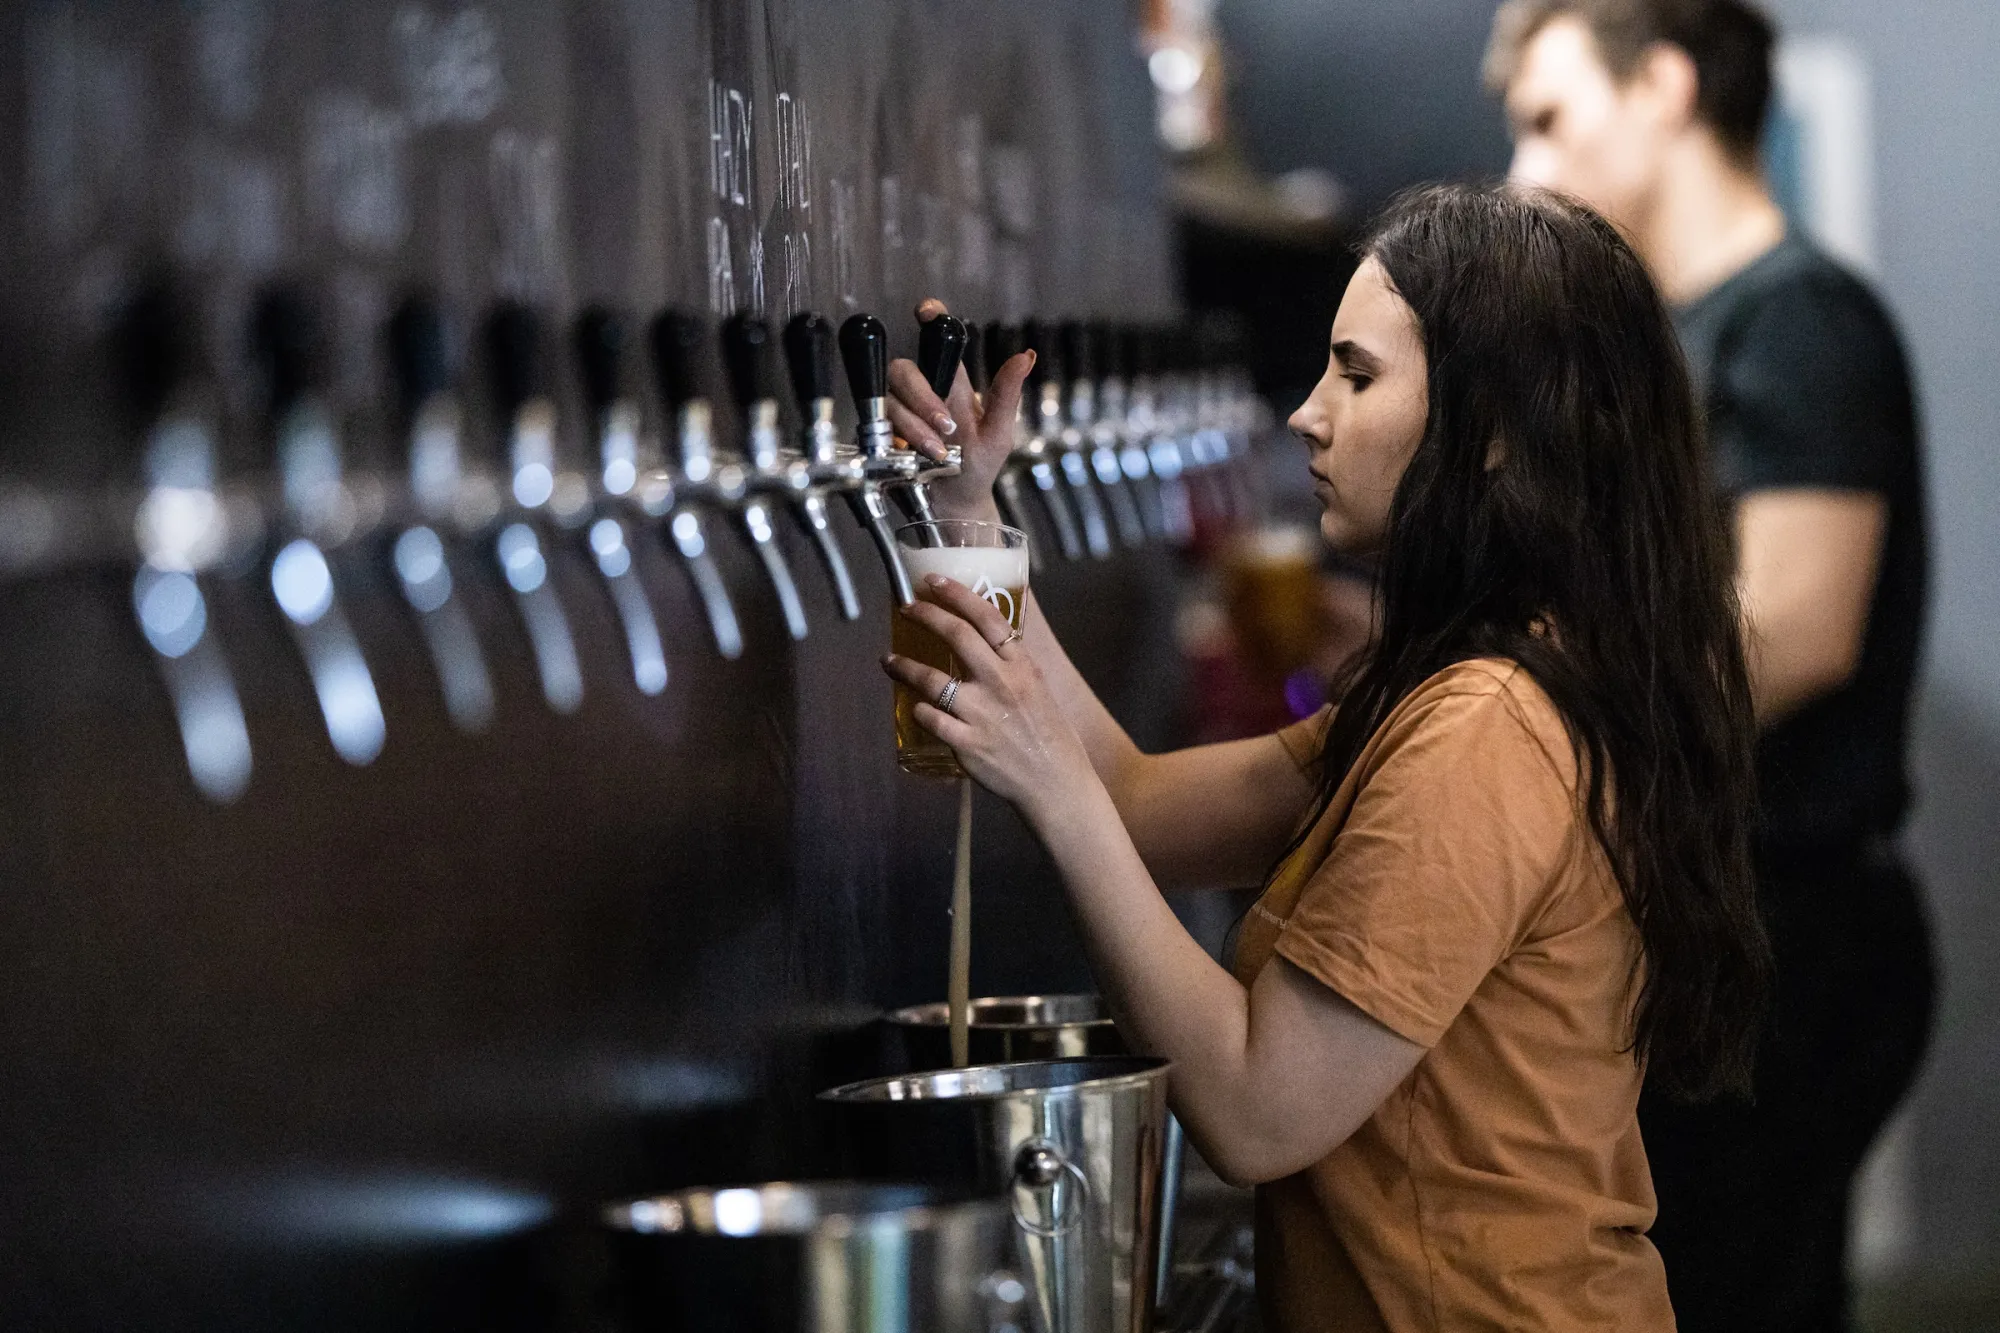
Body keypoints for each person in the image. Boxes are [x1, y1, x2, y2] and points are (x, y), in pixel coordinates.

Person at [879, 183, 1771, 1333]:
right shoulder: (1456, 686)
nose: (1305, 414)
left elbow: (1257, 1110)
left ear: (1492, 428)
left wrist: (1045, 781)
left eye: (1355, 376)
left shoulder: (1487, 731)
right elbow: (1139, 803)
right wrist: (969, 518)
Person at [1485, 3, 1935, 1329]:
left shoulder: (1799, 321)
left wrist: (1519, 718)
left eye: (1550, 118)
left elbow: (1795, 632)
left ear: (1666, 88)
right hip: (1709, 933)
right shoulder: (1665, 338)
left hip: (1795, 940)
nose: (1525, 170)